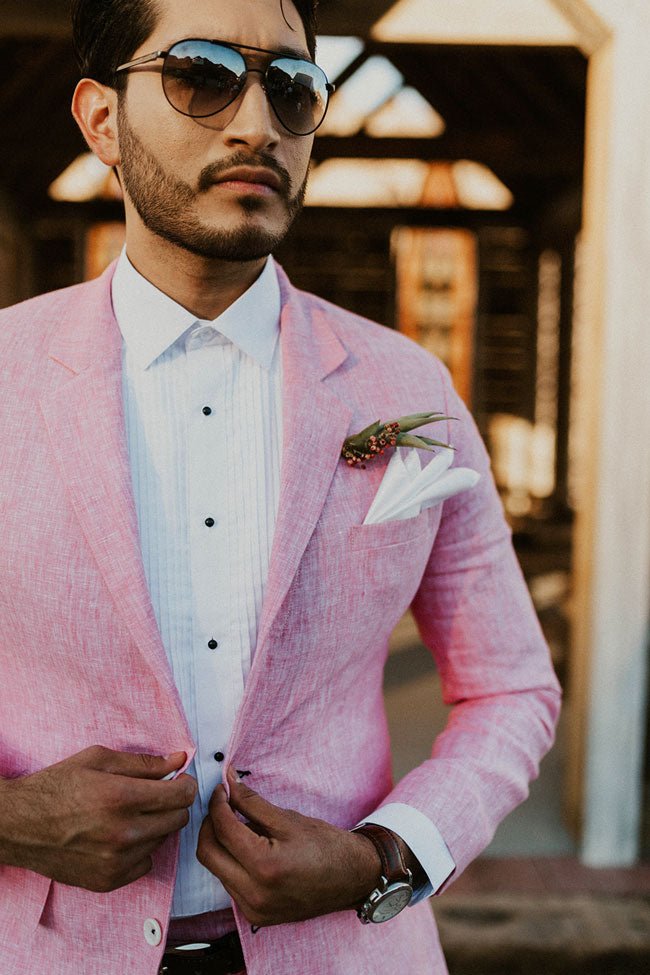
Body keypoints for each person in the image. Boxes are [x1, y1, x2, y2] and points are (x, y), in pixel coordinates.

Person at [0, 0, 561, 973]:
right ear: (100, 120)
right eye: (203, 73)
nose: (257, 121)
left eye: (292, 88)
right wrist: (8, 820)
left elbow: (510, 688)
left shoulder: (405, 389)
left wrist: (382, 855)